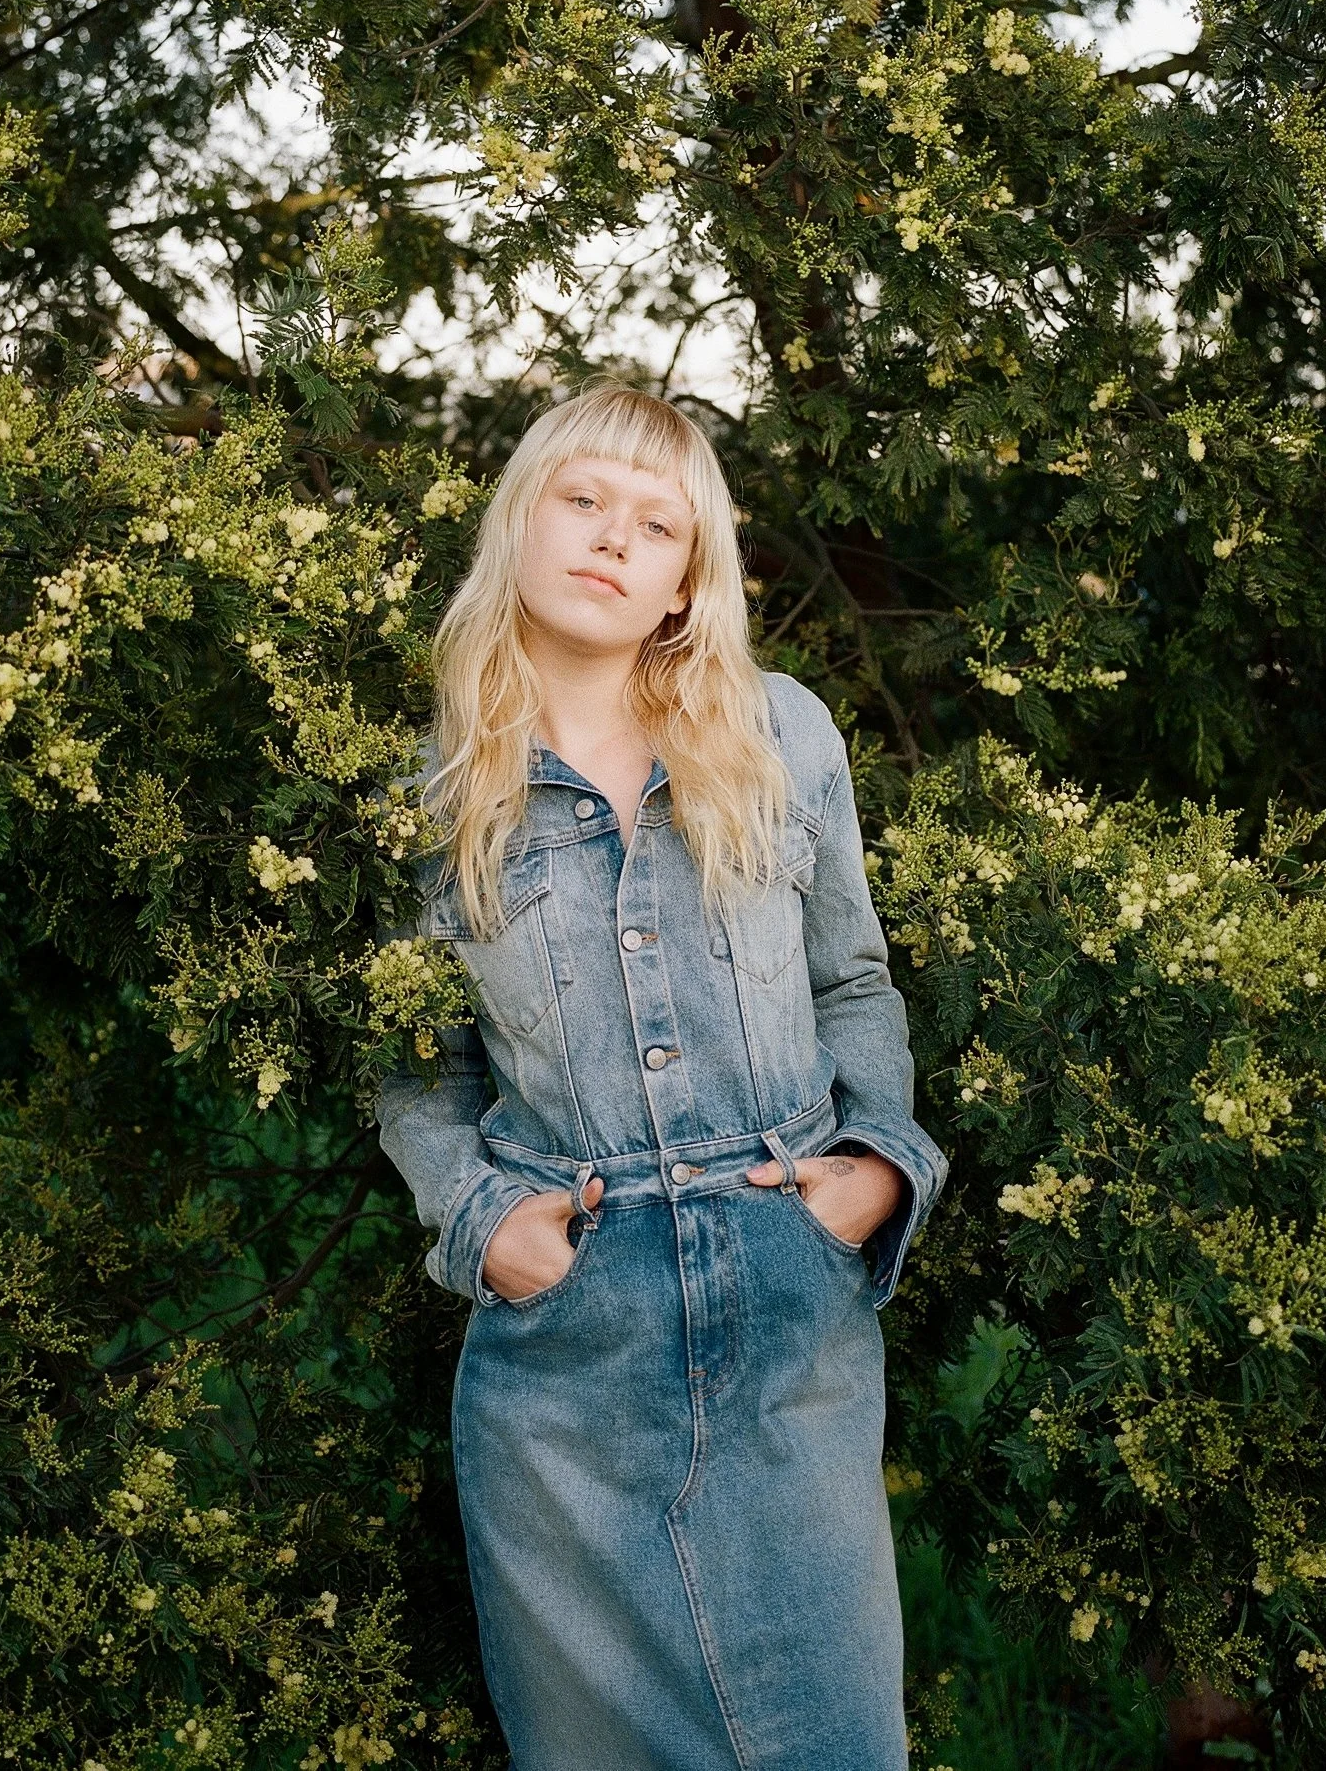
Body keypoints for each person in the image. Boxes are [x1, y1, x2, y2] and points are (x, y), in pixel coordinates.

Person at [377, 383, 948, 1771]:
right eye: (583, 500)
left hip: (786, 1303)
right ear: (521, 518)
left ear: (689, 582)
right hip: (570, 1349)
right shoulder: (434, 791)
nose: (612, 539)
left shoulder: (782, 735)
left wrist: (875, 1172)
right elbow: (411, 1063)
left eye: (656, 524)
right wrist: (485, 1227)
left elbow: (854, 981)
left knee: (835, 1744)